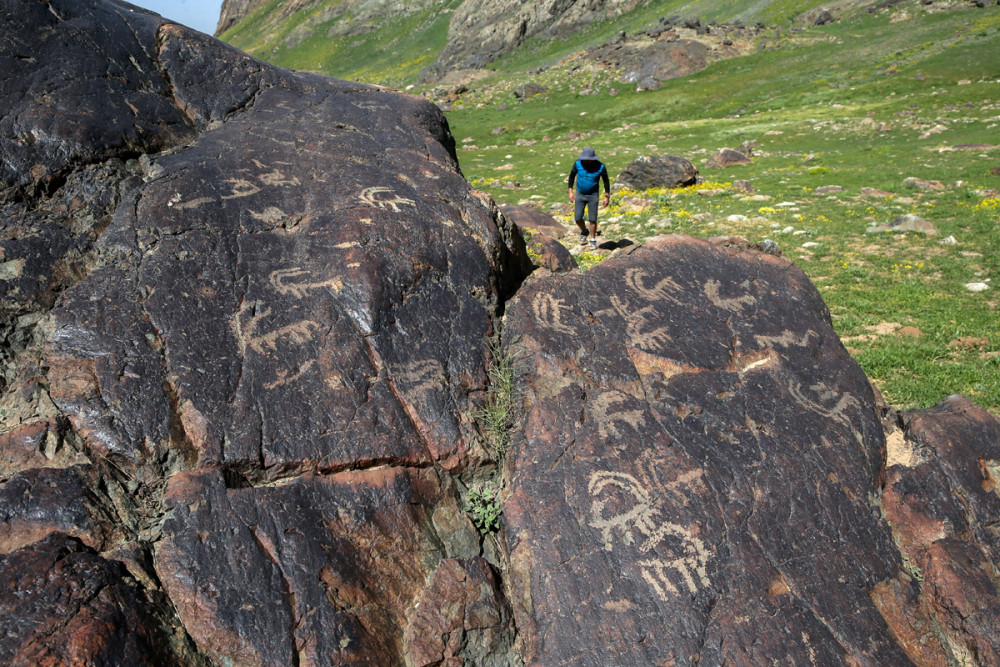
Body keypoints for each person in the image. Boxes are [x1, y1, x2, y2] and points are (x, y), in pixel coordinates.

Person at [567, 147, 610, 249]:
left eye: (589, 159)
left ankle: (593, 239)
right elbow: (572, 176)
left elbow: (606, 181)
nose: (587, 161)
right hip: (580, 194)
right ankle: (584, 231)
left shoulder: (601, 166)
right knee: (577, 217)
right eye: (585, 159)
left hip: (593, 195)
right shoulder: (577, 164)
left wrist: (607, 196)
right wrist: (570, 192)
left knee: (592, 219)